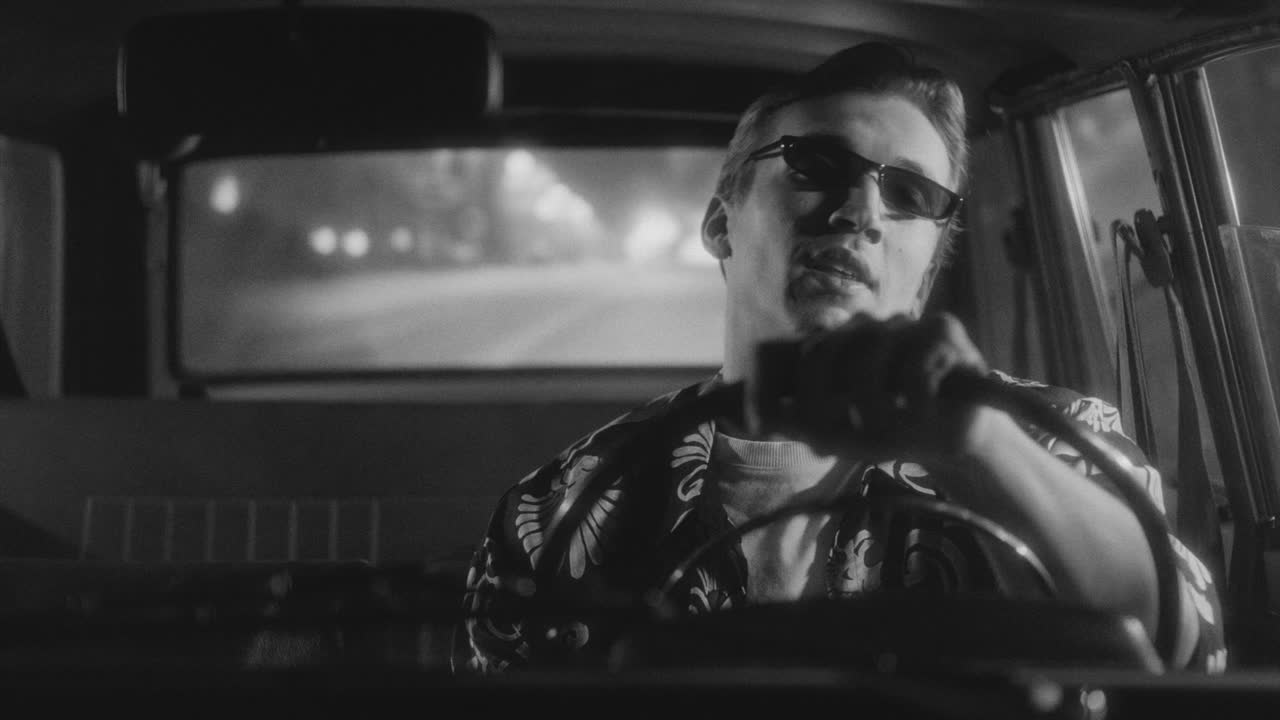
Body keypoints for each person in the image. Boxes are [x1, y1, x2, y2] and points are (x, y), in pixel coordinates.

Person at [459, 42, 1226, 675]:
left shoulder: (1053, 438)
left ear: (927, 270)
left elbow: (1182, 653)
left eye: (911, 195)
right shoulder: (566, 502)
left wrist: (984, 450)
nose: (860, 211)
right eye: (817, 163)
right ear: (721, 221)